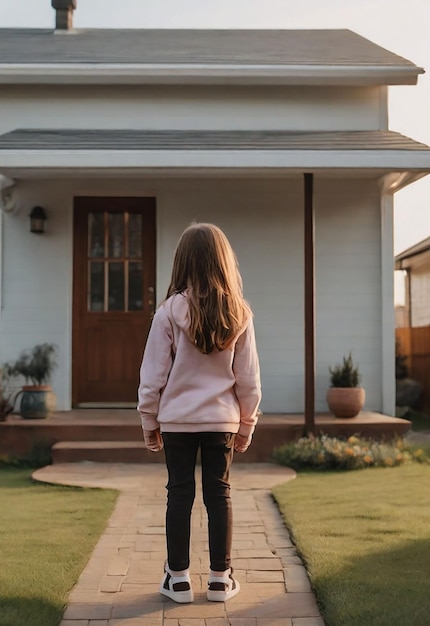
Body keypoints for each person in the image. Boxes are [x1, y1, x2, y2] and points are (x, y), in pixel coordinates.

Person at [137, 222, 261, 604]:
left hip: (177, 421)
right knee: (219, 494)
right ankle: (221, 580)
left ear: (183, 262)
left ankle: (178, 580)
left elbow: (152, 375)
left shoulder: (168, 313)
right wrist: (247, 424)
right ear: (223, 262)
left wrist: (149, 421)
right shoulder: (239, 313)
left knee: (179, 494)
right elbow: (248, 380)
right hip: (221, 422)